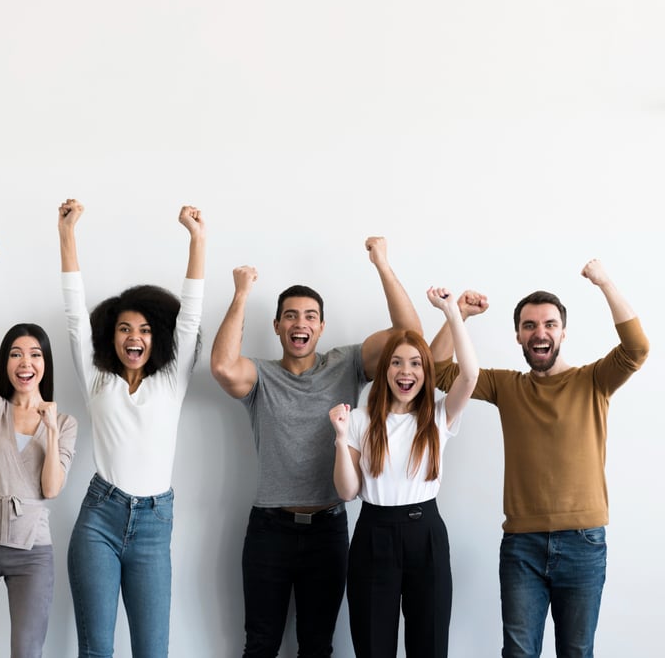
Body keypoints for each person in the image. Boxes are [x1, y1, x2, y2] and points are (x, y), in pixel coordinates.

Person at [210, 237, 422, 658]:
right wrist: (241, 294)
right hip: (269, 528)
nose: (299, 323)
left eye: (309, 316)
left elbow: (409, 335)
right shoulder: (261, 376)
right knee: (261, 645)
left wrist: (381, 264)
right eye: (290, 316)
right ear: (276, 326)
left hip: (328, 527)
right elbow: (221, 366)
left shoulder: (345, 364)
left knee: (317, 646)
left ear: (321, 327)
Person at [429, 259, 649, 658]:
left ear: (563, 332)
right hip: (522, 546)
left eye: (549, 324)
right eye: (529, 326)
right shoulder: (507, 386)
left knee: (577, 651)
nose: (539, 332)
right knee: (517, 652)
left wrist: (604, 283)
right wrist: (457, 314)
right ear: (518, 336)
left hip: (584, 543)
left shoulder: (593, 381)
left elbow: (637, 349)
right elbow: (440, 371)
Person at [57, 198, 205, 658]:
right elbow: (75, 315)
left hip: (155, 524)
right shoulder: (97, 377)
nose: (133, 337)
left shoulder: (171, 380)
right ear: (112, 336)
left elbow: (192, 317)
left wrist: (197, 239)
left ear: (155, 337)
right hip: (99, 518)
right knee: (97, 650)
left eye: (142, 329)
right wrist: (67, 235)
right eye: (123, 329)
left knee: (152, 650)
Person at [329, 286, 479, 658]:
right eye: (397, 362)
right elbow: (347, 492)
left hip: (425, 532)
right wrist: (340, 438)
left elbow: (470, 376)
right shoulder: (361, 420)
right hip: (373, 534)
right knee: (373, 644)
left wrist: (451, 313)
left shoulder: (438, 416)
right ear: (385, 370)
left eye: (415, 363)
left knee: (428, 644)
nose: (406, 371)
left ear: (425, 373)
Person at [0, 241, 77, 658]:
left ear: (45, 364)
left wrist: (51, 430)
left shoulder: (65, 423)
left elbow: (52, 490)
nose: (26, 362)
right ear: (8, 364)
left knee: (27, 651)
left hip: (32, 553)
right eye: (17, 354)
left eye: (35, 354)